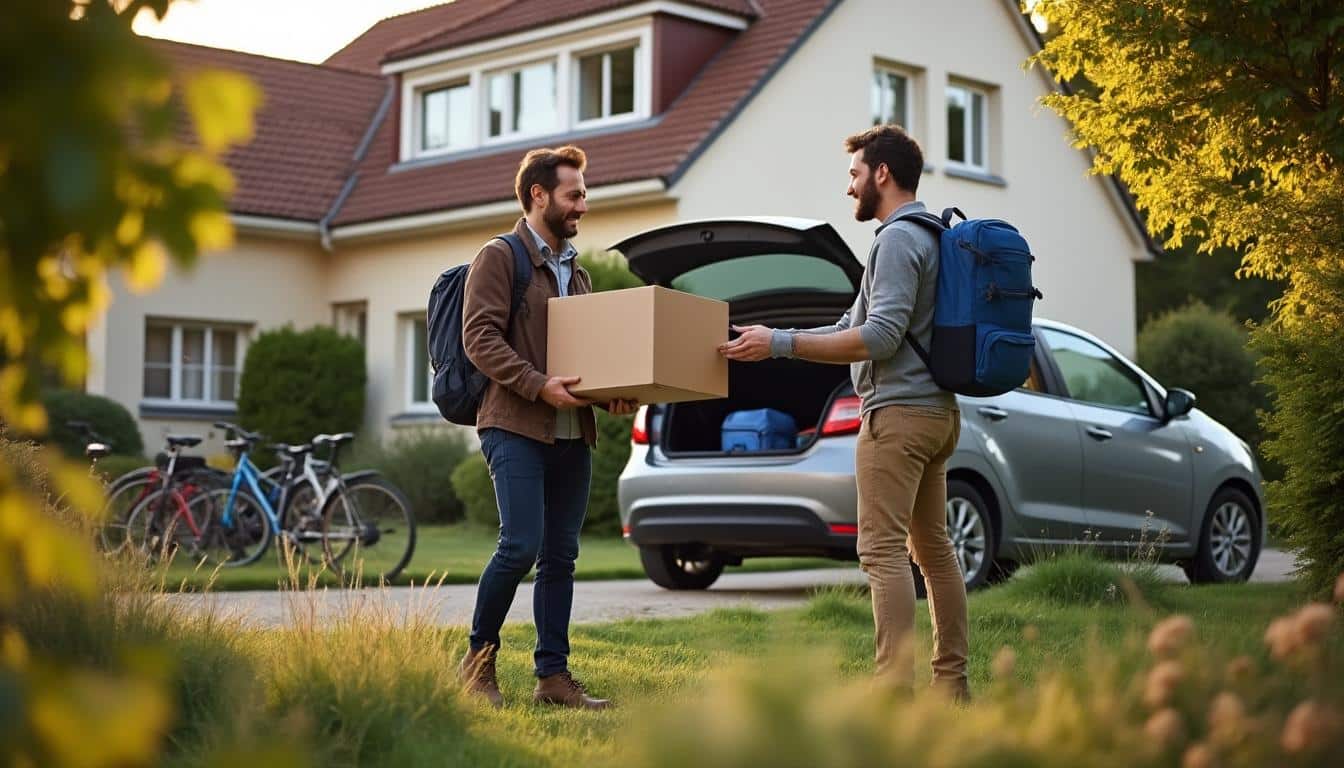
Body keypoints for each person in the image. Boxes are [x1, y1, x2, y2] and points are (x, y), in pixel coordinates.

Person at [718, 125, 969, 701]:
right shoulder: (931, 234)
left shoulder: (897, 240)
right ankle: (950, 685)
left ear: (882, 173)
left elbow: (879, 337)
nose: (848, 187)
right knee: (932, 550)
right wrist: (775, 339)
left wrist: (781, 344)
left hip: (899, 417)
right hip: (936, 414)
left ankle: (891, 695)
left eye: (854, 174)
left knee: (881, 552)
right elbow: (850, 326)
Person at [459, 145, 637, 710]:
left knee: (560, 556)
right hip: (513, 426)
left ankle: (553, 678)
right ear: (540, 195)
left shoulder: (577, 272)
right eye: (574, 194)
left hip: (570, 431)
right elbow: (480, 339)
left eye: (584, 193)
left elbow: (581, 356)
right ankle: (477, 665)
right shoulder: (501, 257)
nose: (583, 203)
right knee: (520, 546)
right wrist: (539, 385)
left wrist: (608, 394)